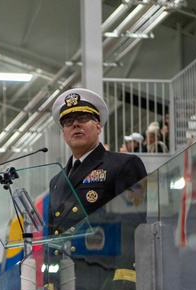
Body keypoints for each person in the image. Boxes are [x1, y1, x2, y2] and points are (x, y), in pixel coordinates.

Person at [47, 88, 148, 237]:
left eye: (83, 118)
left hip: (102, 257)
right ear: (64, 133)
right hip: (65, 260)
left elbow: (132, 224)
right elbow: (52, 235)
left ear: (98, 126)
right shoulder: (56, 181)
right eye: (68, 122)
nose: (75, 124)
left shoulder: (124, 165)